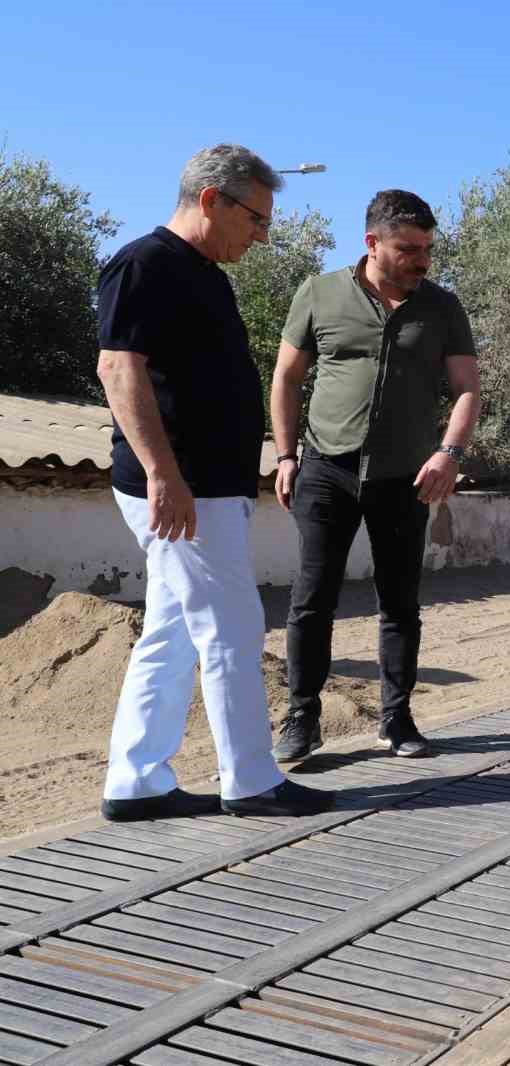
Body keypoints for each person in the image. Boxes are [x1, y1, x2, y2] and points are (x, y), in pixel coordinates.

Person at [95, 144, 335, 821]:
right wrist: (162, 473)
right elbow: (118, 369)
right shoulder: (144, 264)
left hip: (202, 486)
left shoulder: (202, 272)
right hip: (181, 489)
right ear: (211, 200)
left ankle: (136, 781)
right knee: (231, 624)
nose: (261, 234)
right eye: (255, 218)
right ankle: (253, 782)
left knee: (172, 631)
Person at [270, 190, 482, 761]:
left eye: (427, 250)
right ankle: (301, 718)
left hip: (406, 478)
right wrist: (286, 456)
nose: (422, 261)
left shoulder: (442, 307)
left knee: (400, 603)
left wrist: (449, 453)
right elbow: (287, 378)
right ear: (372, 243)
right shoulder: (320, 293)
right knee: (312, 598)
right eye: (408, 249)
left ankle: (396, 718)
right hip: (325, 470)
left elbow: (467, 389)